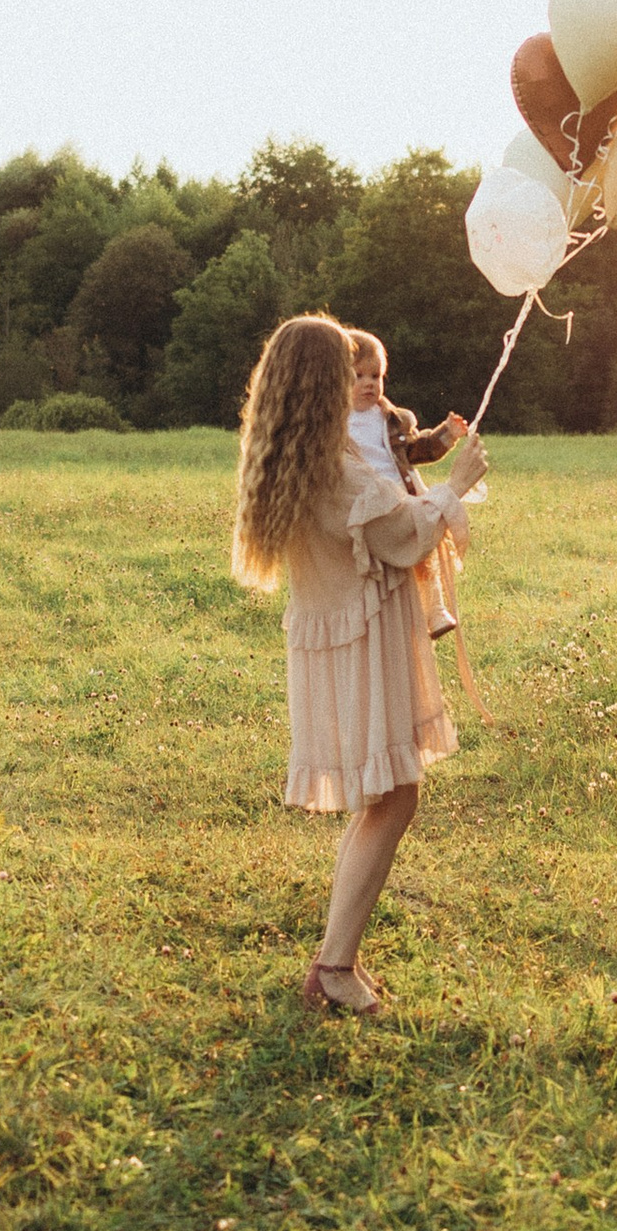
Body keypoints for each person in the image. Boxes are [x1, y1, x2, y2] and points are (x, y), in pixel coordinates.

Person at [232, 313, 488, 1015]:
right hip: (364, 639)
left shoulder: (305, 456)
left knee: (387, 796)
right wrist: (456, 483)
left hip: (345, 636)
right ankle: (334, 967)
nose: (357, 379)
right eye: (343, 367)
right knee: (395, 795)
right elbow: (401, 534)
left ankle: (333, 962)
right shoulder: (332, 468)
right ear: (321, 384)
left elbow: (391, 521)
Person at [344, 327, 470, 637]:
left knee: (423, 553)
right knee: (377, 562)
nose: (369, 384)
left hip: (402, 494)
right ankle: (384, 613)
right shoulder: (336, 421)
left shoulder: (391, 419)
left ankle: (435, 609)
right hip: (364, 500)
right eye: (359, 376)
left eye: (376, 376)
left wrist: (446, 434)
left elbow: (417, 450)